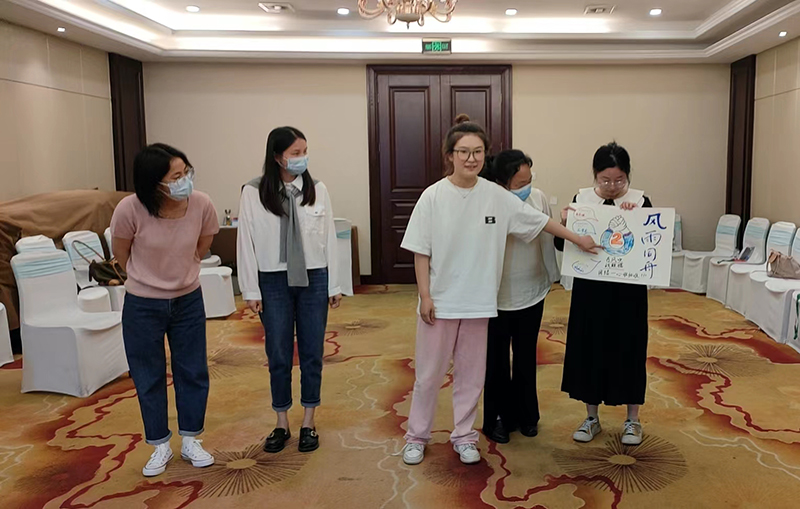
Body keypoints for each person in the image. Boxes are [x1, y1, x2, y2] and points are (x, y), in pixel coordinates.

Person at [399, 115, 599, 466]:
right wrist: (425, 295)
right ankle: (416, 436)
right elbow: (420, 251)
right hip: (441, 303)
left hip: (479, 304)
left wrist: (577, 238)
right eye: (463, 152)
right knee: (428, 376)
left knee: (471, 377)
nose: (471, 158)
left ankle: (464, 436)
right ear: (450, 155)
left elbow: (540, 222)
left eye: (477, 152)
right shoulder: (433, 196)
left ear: (485, 155)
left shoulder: (495, 196)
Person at [111, 143, 219, 477]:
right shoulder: (130, 209)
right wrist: (147, 280)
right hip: (143, 304)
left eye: (186, 172)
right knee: (148, 374)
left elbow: (203, 243)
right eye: (175, 176)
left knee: (193, 370)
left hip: (188, 300)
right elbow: (121, 253)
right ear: (154, 182)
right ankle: (159, 444)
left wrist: (182, 271)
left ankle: (190, 439)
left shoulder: (201, 203)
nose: (184, 180)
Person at [237, 126, 342, 455]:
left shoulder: (317, 189)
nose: (302, 158)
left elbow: (329, 238)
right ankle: (281, 422)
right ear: (277, 157)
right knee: (279, 354)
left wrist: (335, 284)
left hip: (314, 278)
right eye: (295, 153)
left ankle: (309, 421)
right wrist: (250, 289)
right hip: (272, 280)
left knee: (312, 352)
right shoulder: (253, 192)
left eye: (304, 152)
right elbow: (245, 242)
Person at [555, 141, 652, 446]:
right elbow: (562, 246)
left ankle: (632, 420)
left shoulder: (640, 201)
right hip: (591, 291)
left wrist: (636, 219)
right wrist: (565, 223)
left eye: (619, 180)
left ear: (628, 176)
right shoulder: (581, 200)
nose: (612, 187)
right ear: (595, 175)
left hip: (628, 293)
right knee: (589, 347)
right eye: (605, 180)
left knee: (630, 348)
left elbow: (652, 246)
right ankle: (591, 417)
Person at [479, 150, 560, 444]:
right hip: (496, 294)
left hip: (531, 289)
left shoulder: (537, 198)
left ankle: (528, 415)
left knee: (526, 355)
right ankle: (498, 418)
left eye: (529, 180)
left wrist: (552, 274)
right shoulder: (488, 202)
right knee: (496, 359)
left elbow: (548, 236)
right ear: (502, 183)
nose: (527, 187)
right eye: (520, 183)